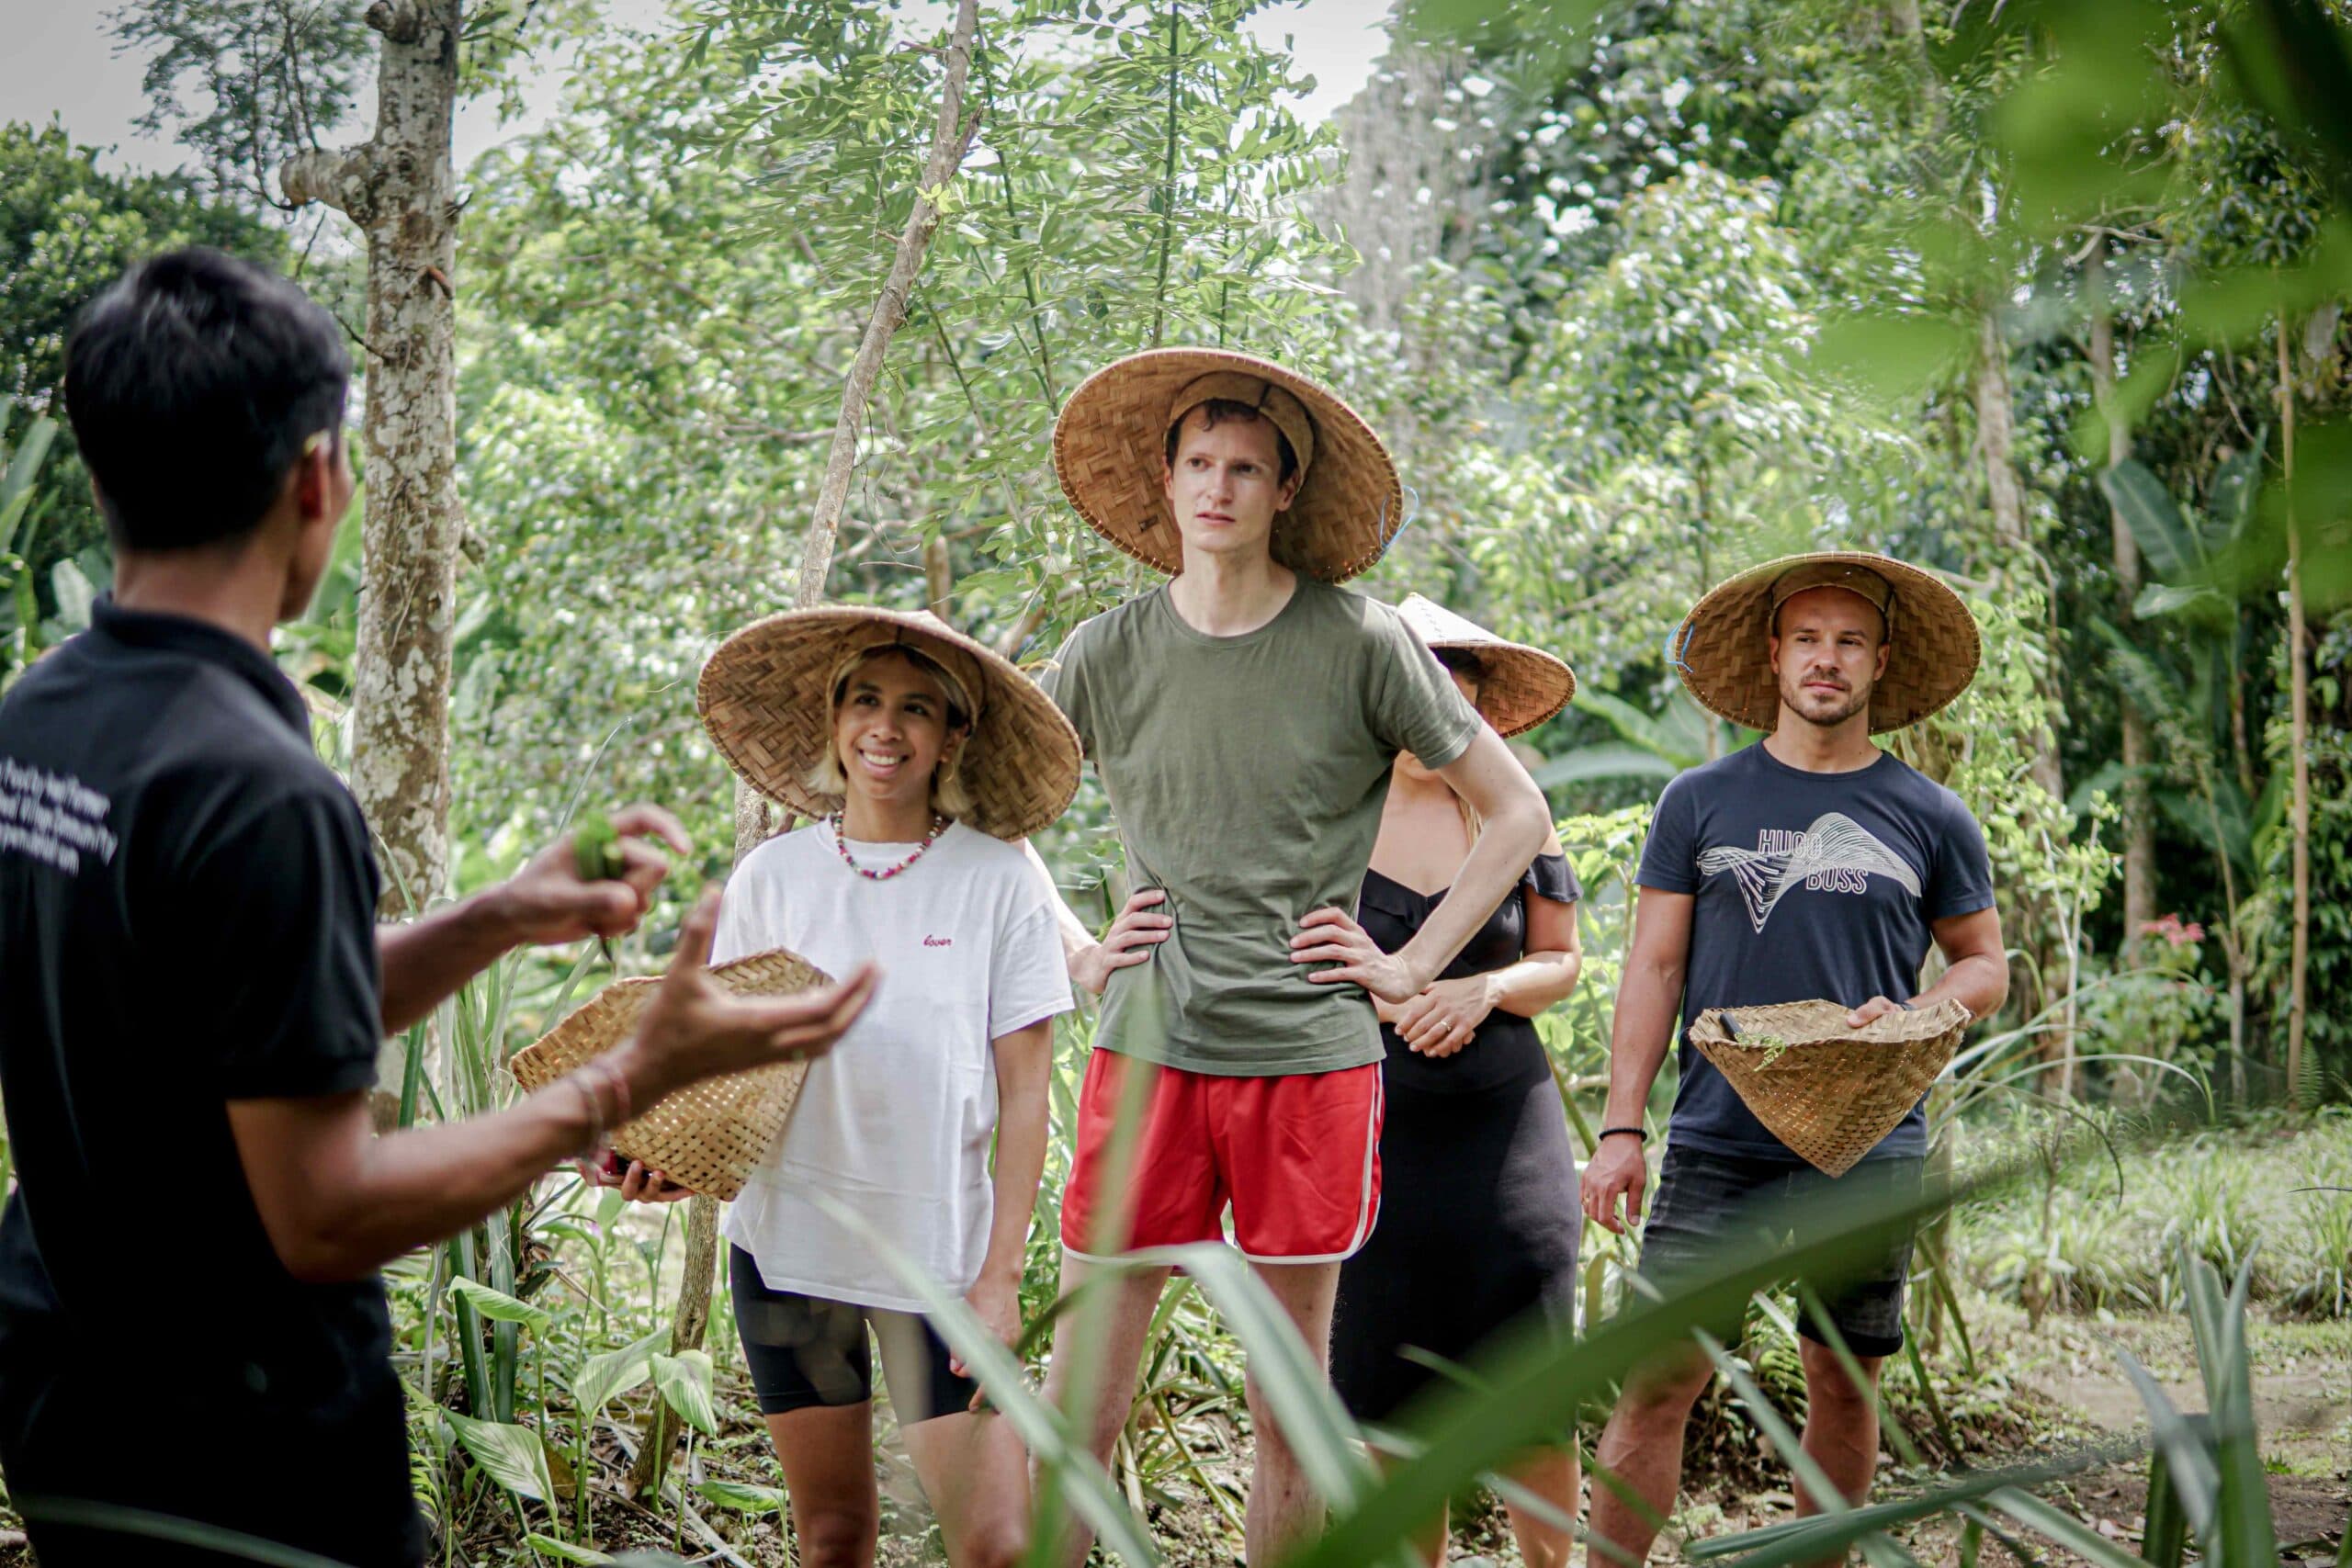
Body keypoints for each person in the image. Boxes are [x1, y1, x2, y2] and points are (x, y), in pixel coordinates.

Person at [0, 247, 878, 1567]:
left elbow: (234, 1001)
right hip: (251, 1460)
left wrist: (497, 917)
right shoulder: (261, 789)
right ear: (320, 477)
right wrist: (627, 1075)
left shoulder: (39, 719)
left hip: (71, 1400)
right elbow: (325, 1206)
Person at [1030, 348, 1555, 1565]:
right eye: (1200, 463)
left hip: (1309, 1063)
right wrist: (1078, 946)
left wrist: (1412, 961)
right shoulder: (1104, 651)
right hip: (1146, 1050)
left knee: (1287, 1405)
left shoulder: (1361, 642)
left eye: (1245, 468)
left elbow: (1516, 811)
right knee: (1077, 1411)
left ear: (1283, 490)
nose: (1218, 487)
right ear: (1166, 481)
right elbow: (995, 812)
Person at [1578, 553, 2009, 1563]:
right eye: (1808, 639)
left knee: (1842, 1378)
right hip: (1716, 1137)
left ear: (1879, 663)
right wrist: (1619, 1128)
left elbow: (1983, 964)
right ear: (1774, 655)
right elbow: (1653, 966)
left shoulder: (1930, 814)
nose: (1826, 659)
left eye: (1848, 642)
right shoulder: (1699, 800)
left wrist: (1919, 1010)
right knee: (1657, 1377)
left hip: (1868, 1145)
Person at [636, 604, 1082, 1568]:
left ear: (953, 737)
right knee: (834, 1538)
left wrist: (1001, 1279)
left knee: (1000, 1547)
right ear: (835, 719)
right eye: (866, 701)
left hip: (945, 1264)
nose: (887, 728)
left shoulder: (997, 881)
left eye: (918, 709)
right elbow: (732, 1068)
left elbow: (1023, 1096)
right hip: (791, 1250)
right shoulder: (773, 878)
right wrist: (670, 1161)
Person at [1329, 593, 1585, 1568]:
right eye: (1411, 686)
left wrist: (1481, 991)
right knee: (1390, 1406)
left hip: (1505, 1127)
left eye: (1453, 690)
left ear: (1479, 710)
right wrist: (1391, 1005)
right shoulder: (1332, 817)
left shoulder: (1518, 816)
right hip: (1372, 1129)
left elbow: (1561, 961)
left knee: (1531, 1390)